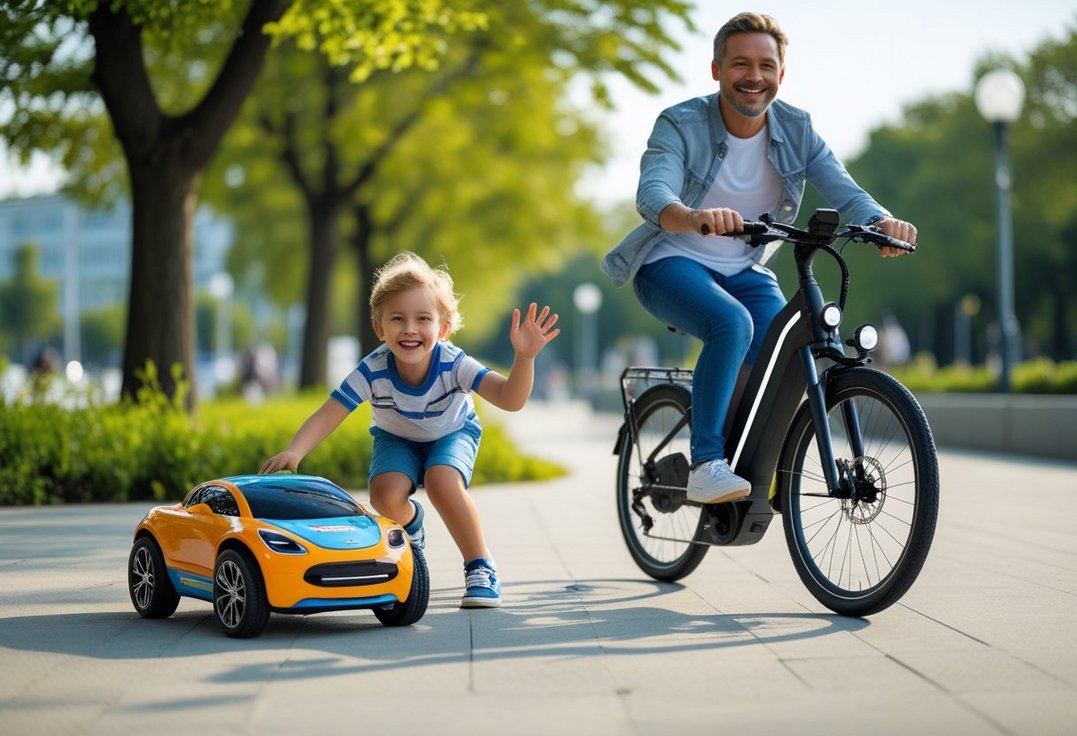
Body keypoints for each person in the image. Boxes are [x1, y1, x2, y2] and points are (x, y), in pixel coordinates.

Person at [601, 12, 917, 505]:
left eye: (766, 66)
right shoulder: (680, 123)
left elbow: (845, 188)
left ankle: (750, 452)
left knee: (793, 344)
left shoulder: (798, 129)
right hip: (669, 263)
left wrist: (882, 223)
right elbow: (652, 191)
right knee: (732, 323)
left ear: (781, 75)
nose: (754, 77)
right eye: (740, 64)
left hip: (744, 269)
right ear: (717, 70)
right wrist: (691, 216)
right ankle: (706, 463)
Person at [260, 251, 560, 608]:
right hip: (396, 437)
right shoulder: (373, 368)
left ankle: (480, 564)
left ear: (444, 327)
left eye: (423, 319)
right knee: (384, 497)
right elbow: (331, 412)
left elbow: (509, 399)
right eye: (397, 319)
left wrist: (524, 359)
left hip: (452, 432)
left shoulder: (454, 363)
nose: (410, 329)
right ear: (379, 328)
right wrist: (296, 450)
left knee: (441, 481)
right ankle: (412, 521)